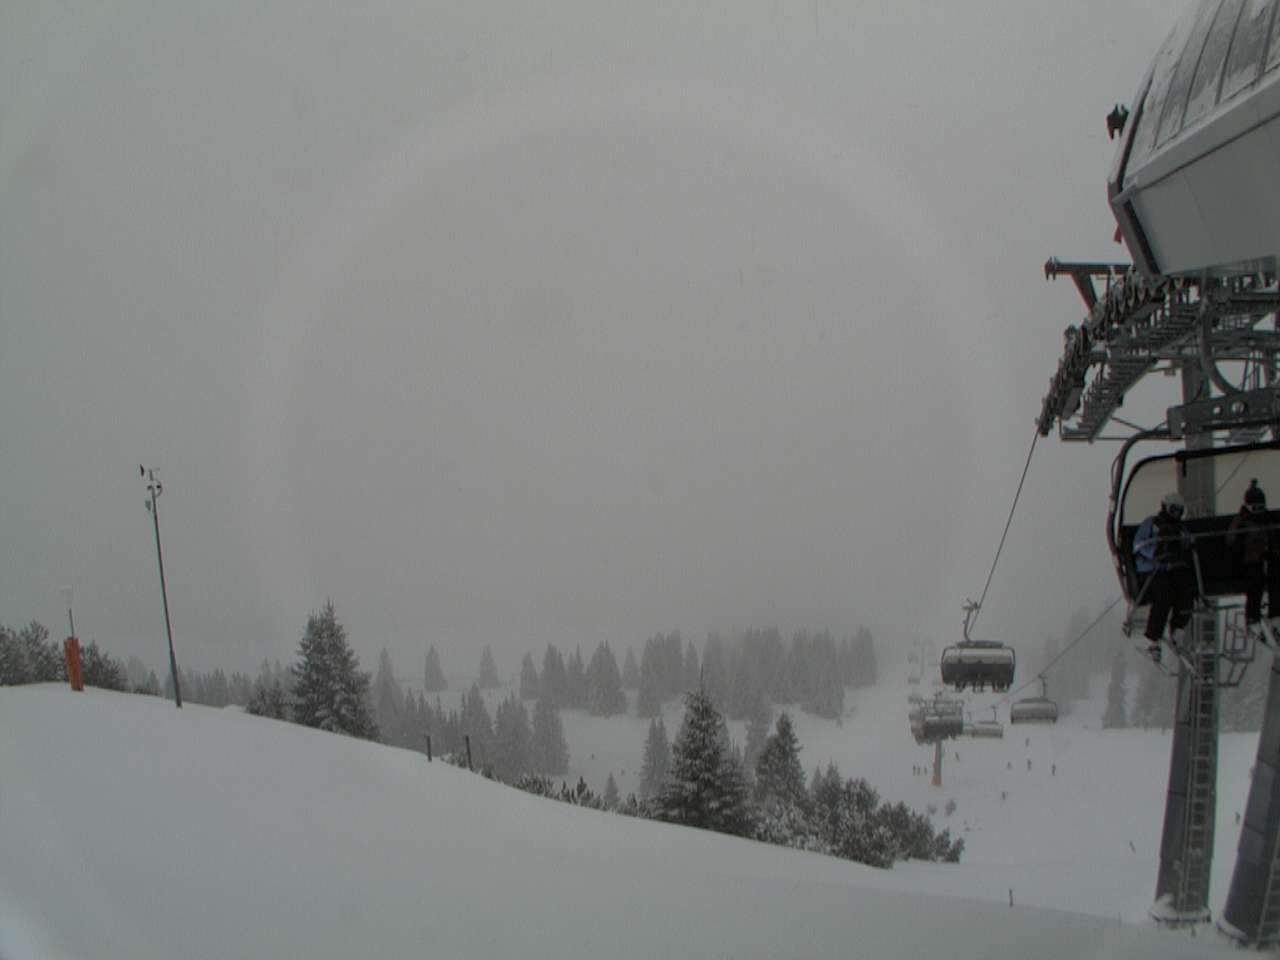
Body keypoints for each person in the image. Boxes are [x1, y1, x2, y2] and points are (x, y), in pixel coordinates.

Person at [1134, 491, 1194, 661]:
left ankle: (1178, 630)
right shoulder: (1152, 524)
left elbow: (1188, 542)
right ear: (1165, 507)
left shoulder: (1180, 528)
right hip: (1154, 571)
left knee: (1187, 595)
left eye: (1179, 511)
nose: (1176, 515)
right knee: (1163, 598)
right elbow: (1138, 545)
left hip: (1175, 569)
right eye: (1174, 510)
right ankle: (1153, 640)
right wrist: (1156, 553)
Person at [1226, 479, 1280, 631]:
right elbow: (1231, 540)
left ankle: (1276, 615)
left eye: (1261, 508)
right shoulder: (1241, 520)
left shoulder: (1268, 518)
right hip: (1248, 562)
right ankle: (1252, 618)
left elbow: (1273, 536)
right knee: (1255, 582)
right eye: (1255, 508)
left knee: (1276, 577)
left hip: (1267, 559)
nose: (1259, 511)